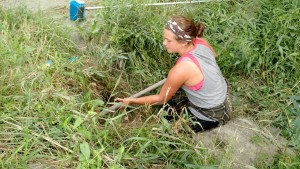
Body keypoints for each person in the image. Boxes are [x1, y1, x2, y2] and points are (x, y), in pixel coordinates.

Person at [116, 15, 232, 132]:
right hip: (223, 101)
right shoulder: (201, 42)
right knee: (172, 103)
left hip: (211, 115)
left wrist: (131, 101)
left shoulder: (181, 69)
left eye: (168, 40)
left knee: (165, 130)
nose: (164, 43)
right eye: (164, 38)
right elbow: (213, 56)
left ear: (183, 42)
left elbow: (161, 99)